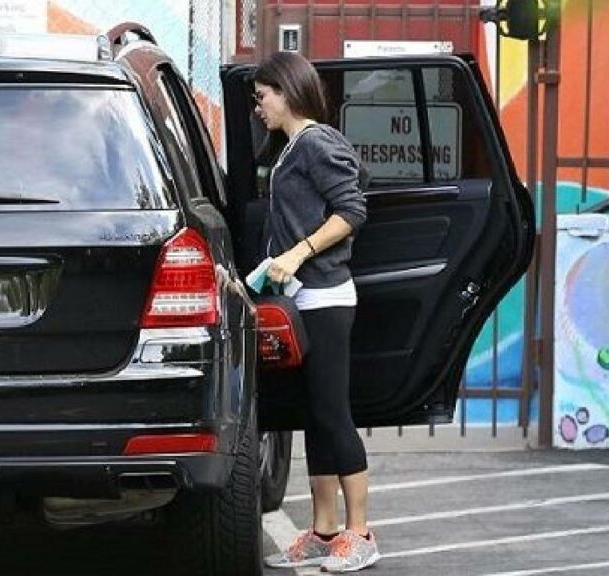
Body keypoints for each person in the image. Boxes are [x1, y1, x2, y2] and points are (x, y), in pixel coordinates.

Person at [253, 51, 379, 573]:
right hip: (302, 297)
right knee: (314, 418)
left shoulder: (316, 141)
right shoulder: (292, 148)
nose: (258, 107)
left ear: (286, 91)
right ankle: (325, 530)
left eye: (262, 97)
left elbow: (352, 209)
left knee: (332, 414)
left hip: (325, 297)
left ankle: (361, 532)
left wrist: (298, 252)